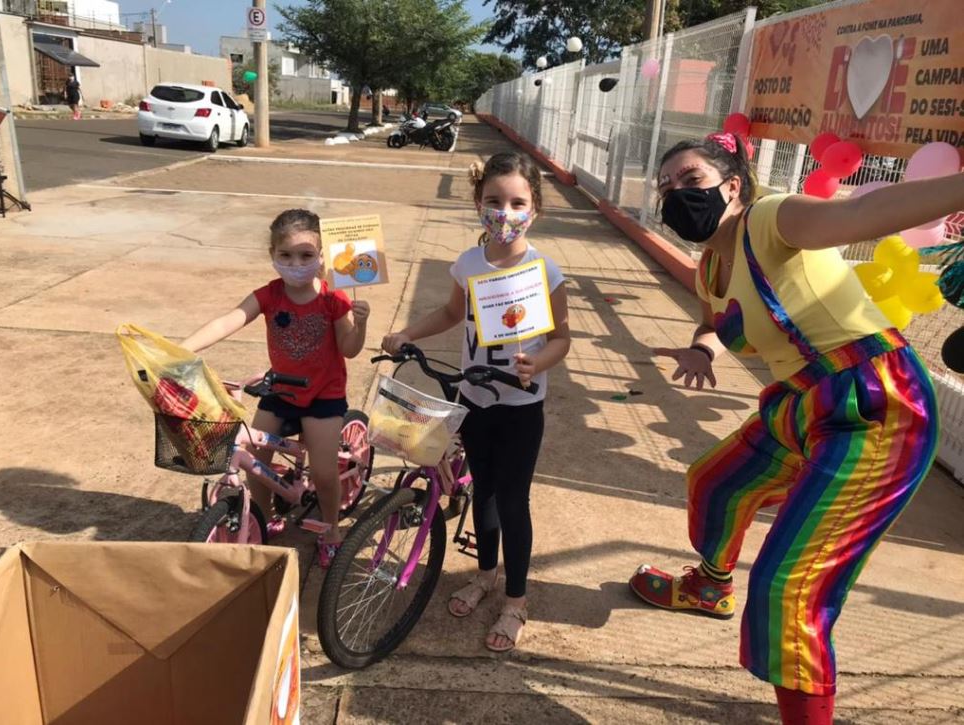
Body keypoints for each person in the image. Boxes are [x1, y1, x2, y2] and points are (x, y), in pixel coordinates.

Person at [628, 131, 961, 724]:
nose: (677, 194)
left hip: (874, 402)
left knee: (788, 591)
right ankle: (709, 586)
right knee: (715, 482)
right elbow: (714, 322)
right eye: (667, 187)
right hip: (797, 404)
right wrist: (702, 350)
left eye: (691, 180)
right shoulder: (711, 268)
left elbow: (861, 213)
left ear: (732, 185)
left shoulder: (771, 219)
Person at [381, 151, 570, 652]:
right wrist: (404, 332)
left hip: (521, 406)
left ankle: (516, 600)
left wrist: (540, 363)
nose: (504, 213)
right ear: (478, 204)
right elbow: (449, 313)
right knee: (482, 491)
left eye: (516, 203)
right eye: (494, 201)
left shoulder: (544, 270)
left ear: (535, 210)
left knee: (513, 500)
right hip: (475, 398)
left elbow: (562, 338)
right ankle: (485, 575)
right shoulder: (468, 263)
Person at [182, 208, 370, 567]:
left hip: (323, 397)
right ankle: (265, 519)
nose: (295, 263)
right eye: (285, 255)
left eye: (305, 255)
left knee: (324, 473)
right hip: (280, 392)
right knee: (255, 461)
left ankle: (332, 530)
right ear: (273, 255)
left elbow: (349, 349)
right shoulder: (269, 295)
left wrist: (359, 325)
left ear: (321, 257)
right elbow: (230, 319)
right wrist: (182, 349)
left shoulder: (335, 298)